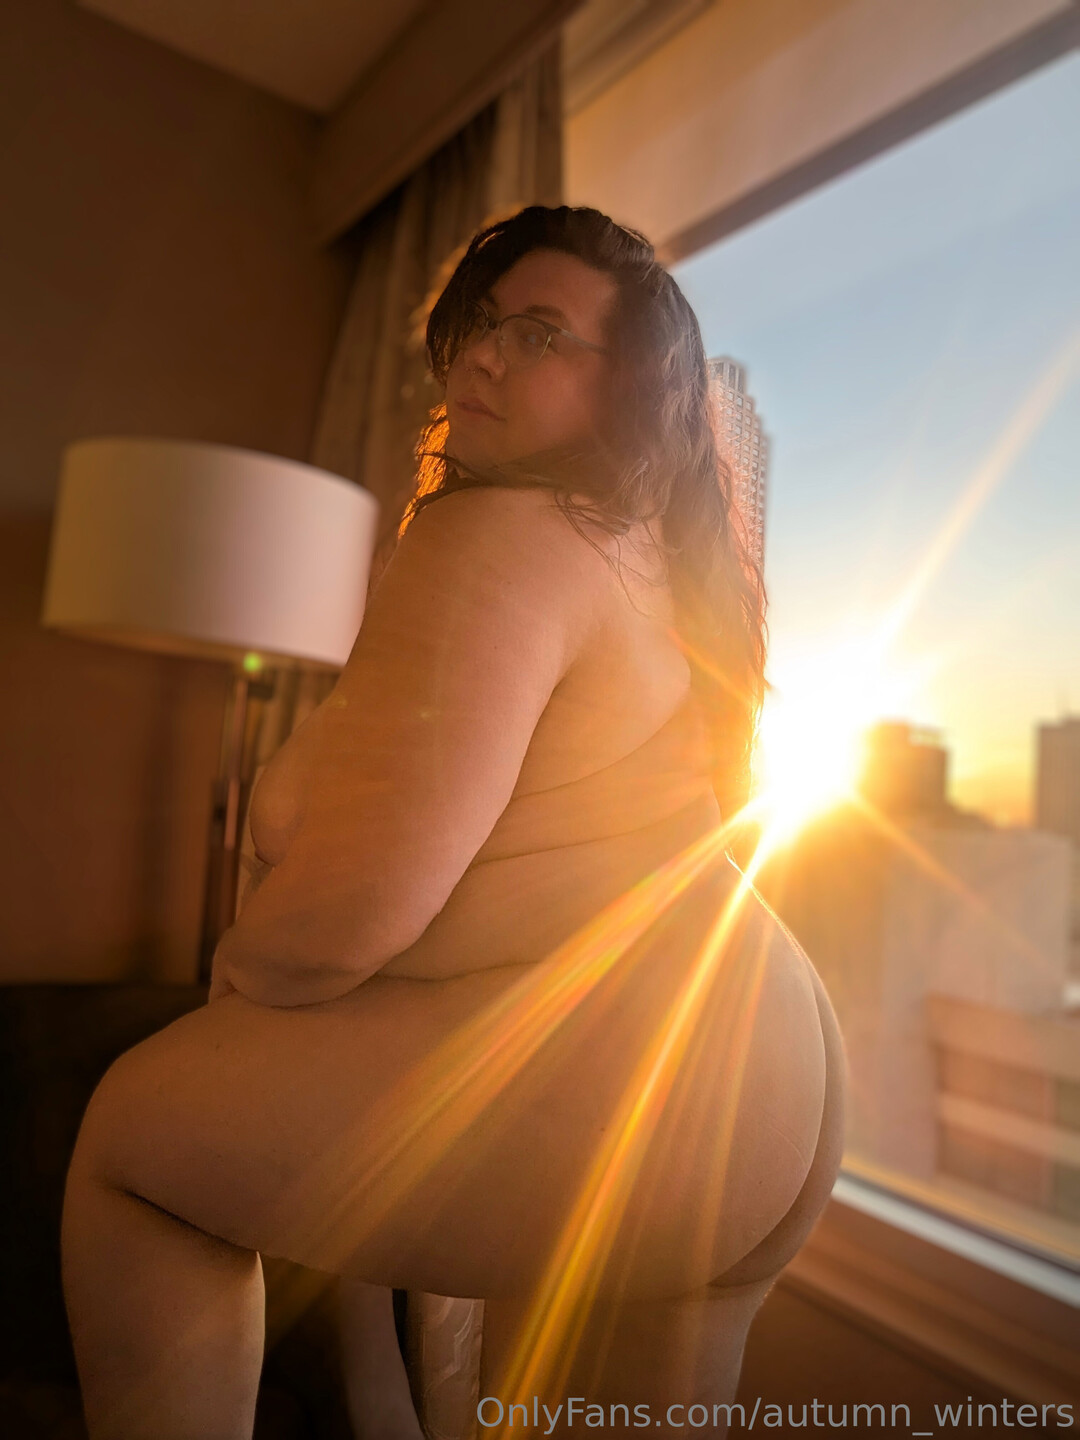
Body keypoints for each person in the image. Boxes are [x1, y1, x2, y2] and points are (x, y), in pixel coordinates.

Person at [61, 206, 845, 1440]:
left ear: (631, 386)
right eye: (480, 325)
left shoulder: (498, 531)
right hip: (769, 1072)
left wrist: (244, 978)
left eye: (536, 334)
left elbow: (364, 900)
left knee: (130, 1144)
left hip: (638, 1087)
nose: (481, 354)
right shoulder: (649, 564)